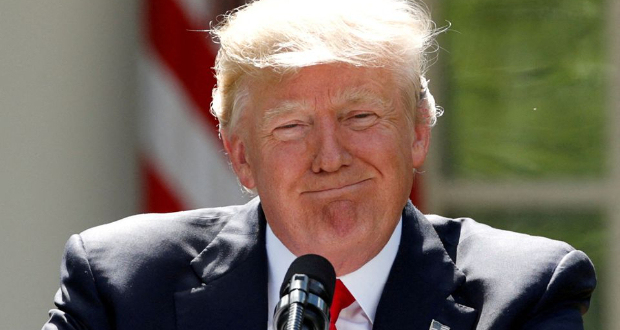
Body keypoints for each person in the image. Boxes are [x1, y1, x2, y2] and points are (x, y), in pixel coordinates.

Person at [43, 0, 596, 329]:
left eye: (360, 116)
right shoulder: (122, 283)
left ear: (419, 134)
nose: (330, 158)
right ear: (241, 157)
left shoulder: (523, 291)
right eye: (292, 127)